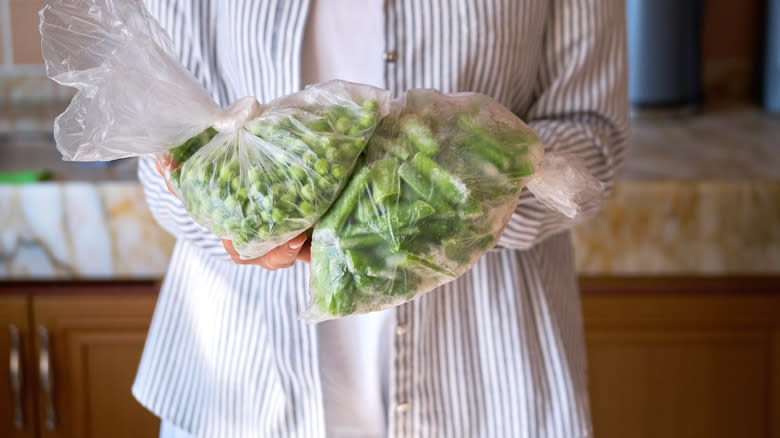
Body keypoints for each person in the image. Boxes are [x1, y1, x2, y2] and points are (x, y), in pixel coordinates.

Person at [133, 0, 628, 437]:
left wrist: (453, 205)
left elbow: (594, 137)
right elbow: (164, 138)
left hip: (487, 381)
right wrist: (237, 220)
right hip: (243, 387)